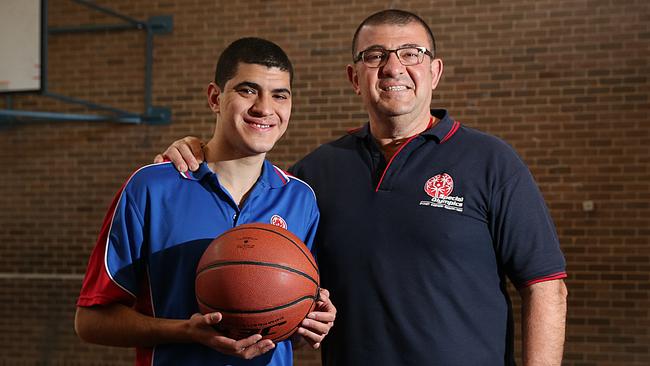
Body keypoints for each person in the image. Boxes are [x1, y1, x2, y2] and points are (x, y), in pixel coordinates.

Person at [156, 9, 568, 366]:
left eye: (411, 54)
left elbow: (545, 284)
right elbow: (262, 253)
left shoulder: (491, 161)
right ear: (355, 77)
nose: (393, 67)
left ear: (434, 72)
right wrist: (202, 151)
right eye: (375, 56)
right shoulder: (315, 174)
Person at [75, 37, 336, 366]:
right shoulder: (151, 187)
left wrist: (310, 321)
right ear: (215, 97)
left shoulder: (299, 198)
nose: (264, 108)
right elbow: (90, 322)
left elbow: (285, 329)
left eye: (279, 95)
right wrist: (184, 331)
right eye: (247, 90)